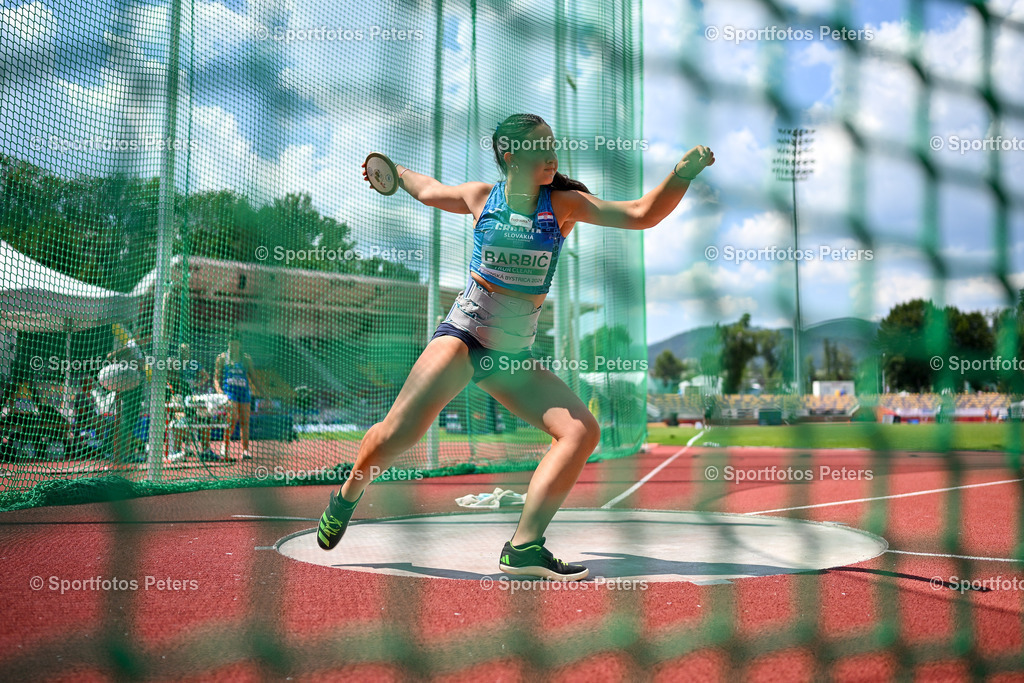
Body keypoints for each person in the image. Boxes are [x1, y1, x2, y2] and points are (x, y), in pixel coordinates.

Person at [316, 113, 714, 581]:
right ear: (510, 154)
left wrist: (680, 174)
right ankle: (346, 495)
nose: (552, 155)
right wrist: (394, 172)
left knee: (581, 431)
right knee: (394, 438)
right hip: (465, 337)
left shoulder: (564, 203)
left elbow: (642, 214)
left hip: (512, 357)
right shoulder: (481, 197)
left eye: (553, 145)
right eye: (540, 147)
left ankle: (524, 546)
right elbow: (427, 189)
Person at [213, 332, 264, 461]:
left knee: (245, 421)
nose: (234, 347)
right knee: (232, 418)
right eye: (232, 344)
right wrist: (219, 391)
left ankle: (245, 450)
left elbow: (253, 377)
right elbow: (216, 377)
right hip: (229, 392)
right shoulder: (222, 358)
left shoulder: (246, 359)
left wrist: (263, 392)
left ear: (240, 345)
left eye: (236, 344)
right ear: (228, 344)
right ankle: (225, 446)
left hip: (244, 392)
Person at [169, 343, 216, 462]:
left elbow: (206, 376)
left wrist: (196, 384)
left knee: (205, 416)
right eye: (181, 351)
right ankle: (177, 451)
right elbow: (167, 376)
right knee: (180, 419)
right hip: (178, 396)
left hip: (192, 397)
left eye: (186, 351)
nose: (183, 354)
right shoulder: (175, 364)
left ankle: (205, 450)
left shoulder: (194, 364)